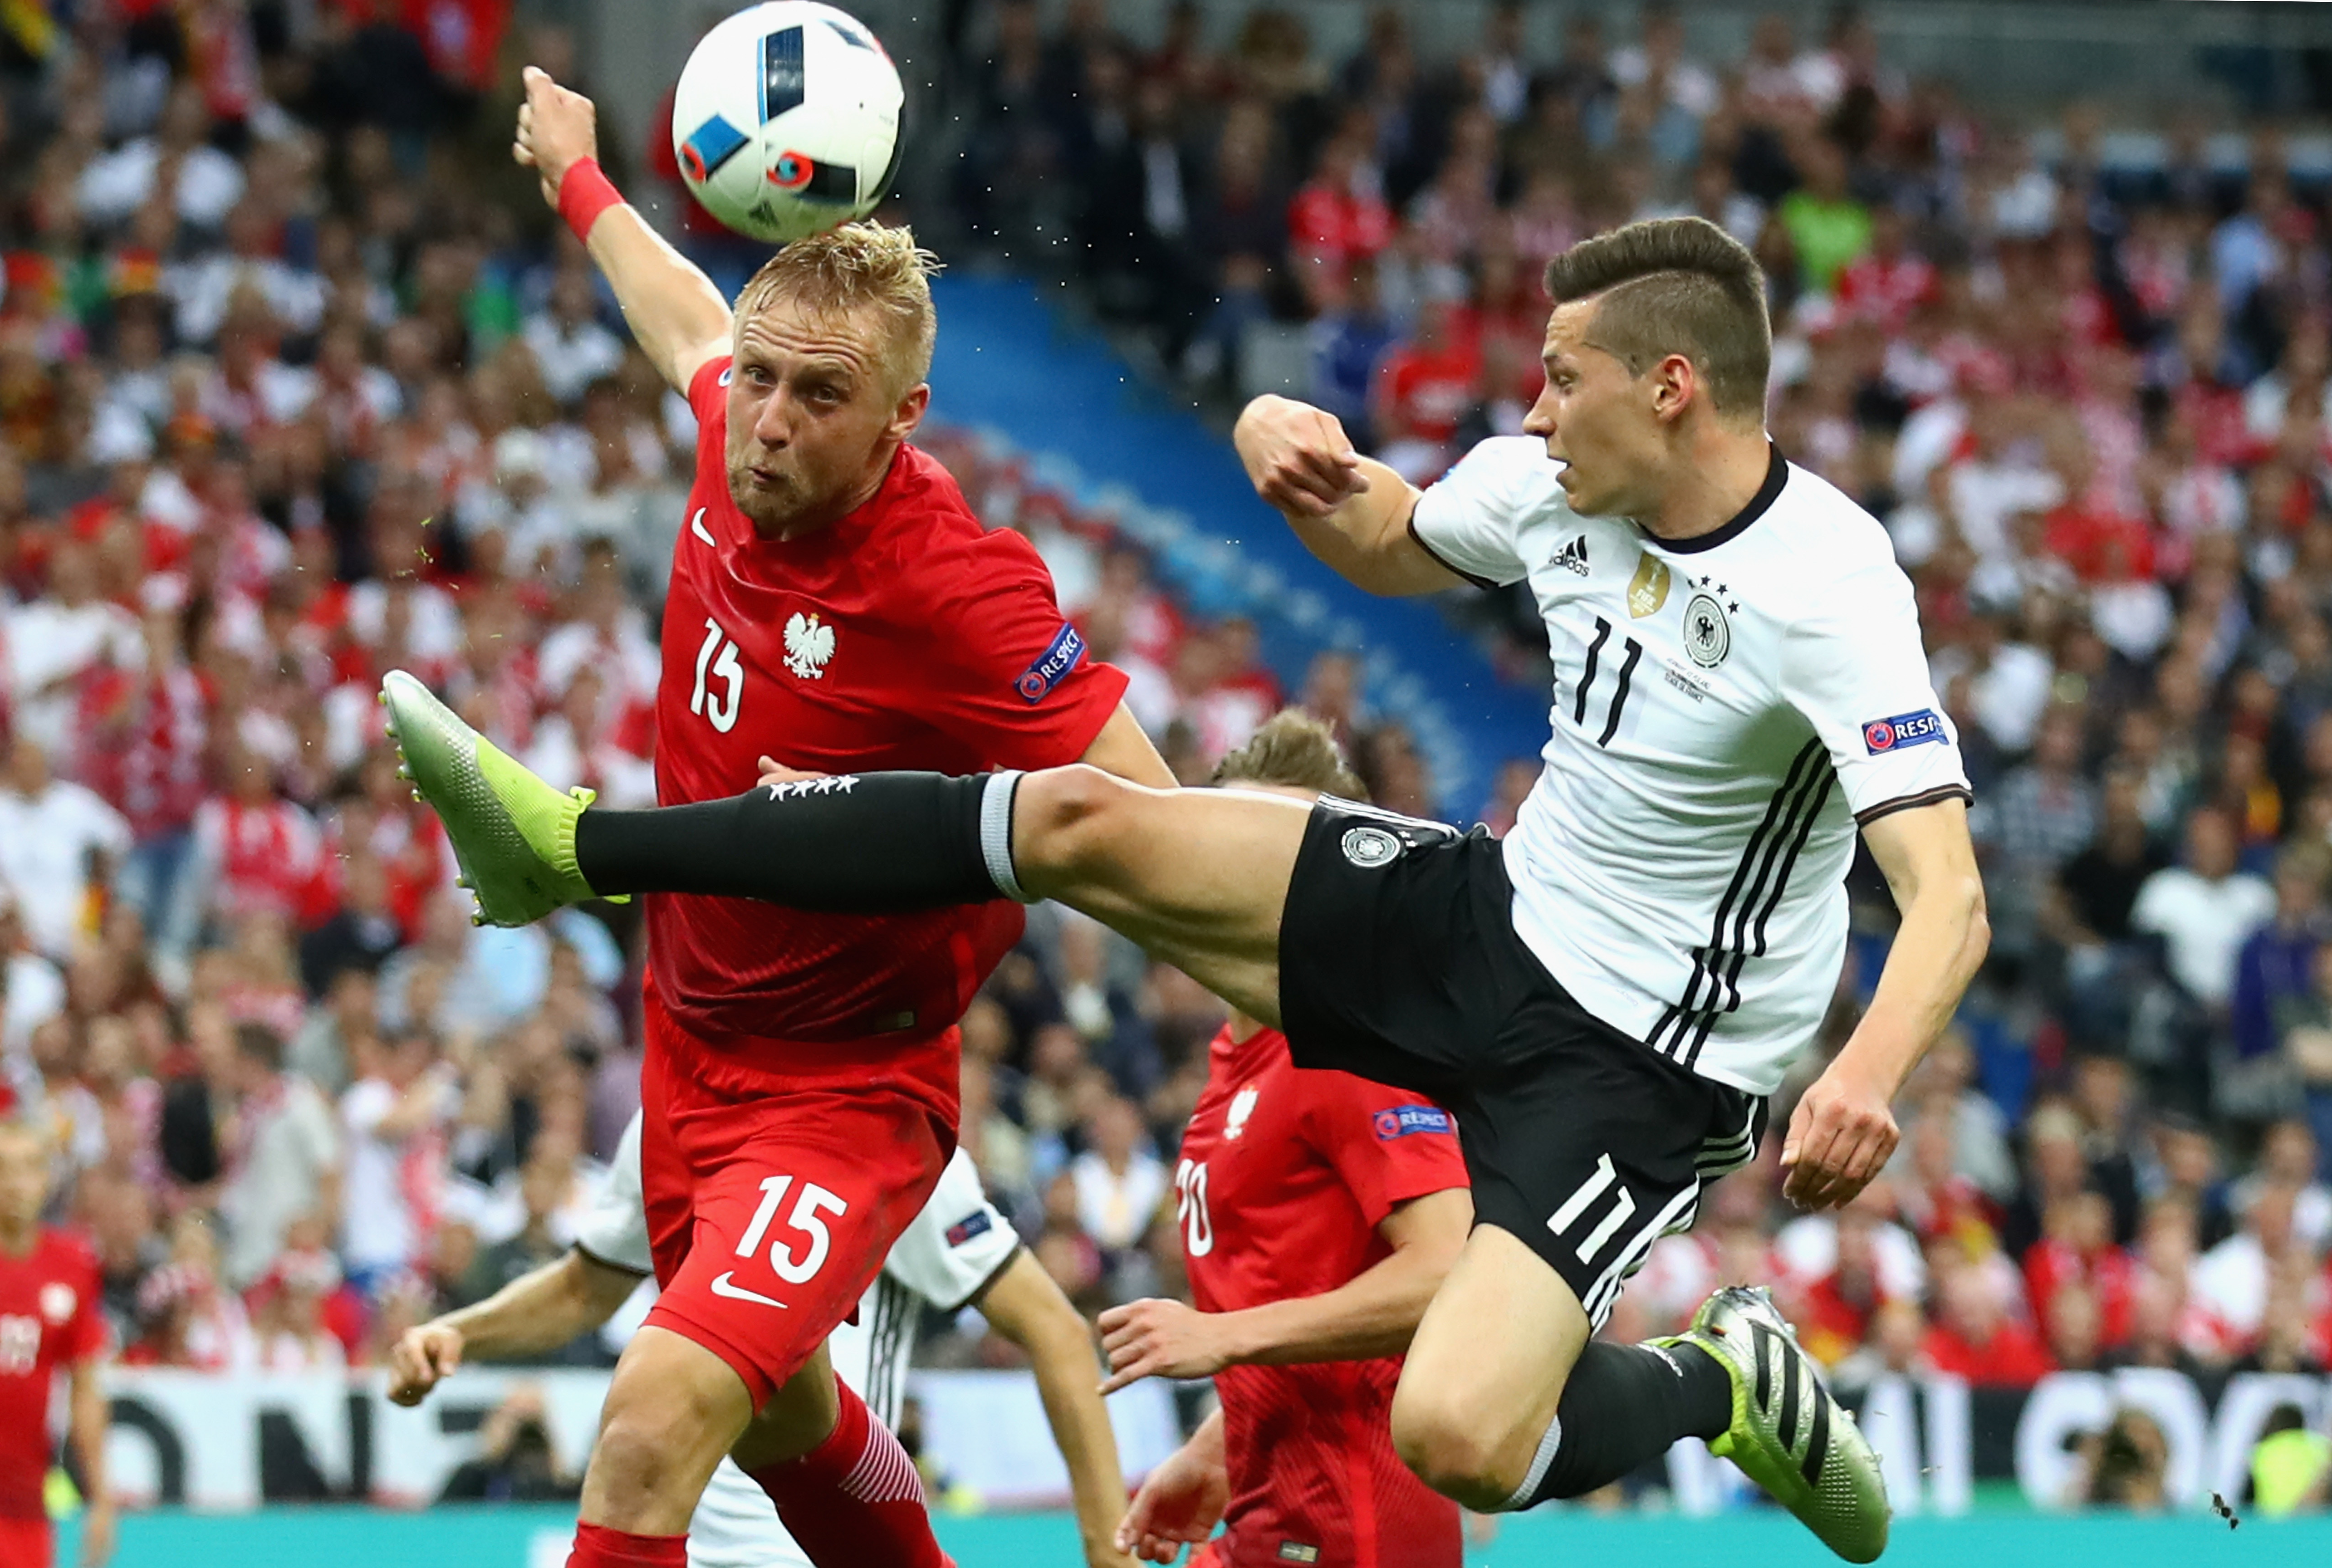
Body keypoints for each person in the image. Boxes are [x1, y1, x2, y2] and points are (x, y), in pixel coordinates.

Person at [386, 216, 1990, 1563]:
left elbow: (1947, 893)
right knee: (1086, 820)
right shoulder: (1556, 480)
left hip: (1639, 1055)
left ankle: (1722, 1383)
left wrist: (1861, 1072)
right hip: (1487, 911)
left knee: (1461, 1434)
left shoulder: (1827, 589)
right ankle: (580, 847)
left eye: (1562, 378)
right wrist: (1299, 460)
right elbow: (1396, 537)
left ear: (1674, 385)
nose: (1534, 407)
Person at [458, 67, 1173, 1568]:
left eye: (818, 394)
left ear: (903, 416)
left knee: (652, 1412)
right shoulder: (739, 429)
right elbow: (681, 322)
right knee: (784, 1419)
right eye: (765, 377)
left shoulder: (957, 589)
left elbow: (1155, 821)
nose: (764, 417)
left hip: (842, 1089)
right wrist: (583, 180)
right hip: (687, 1052)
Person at [390, 1113, 1133, 1567]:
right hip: (676, 1546)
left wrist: (1107, 1551)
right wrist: (460, 1329)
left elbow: (1056, 1331)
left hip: (820, 1549)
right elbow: (585, 1287)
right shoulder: (663, 1121)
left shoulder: (890, 1136)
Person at [1097, 712, 1473, 1567]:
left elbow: (1449, 1270)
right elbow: (1300, 1287)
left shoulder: (1349, 1049)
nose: (1247, 871)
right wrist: (1209, 1451)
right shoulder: (1236, 1059)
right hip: (1270, 1519)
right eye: (1232, 841)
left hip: (1356, 1530)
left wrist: (1222, 1339)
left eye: (1281, 851)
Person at [0, 1118, 116, 1568]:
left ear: (47, 1178)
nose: (17, 1183)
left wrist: (101, 1495)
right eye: (0, 1169)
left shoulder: (71, 1266)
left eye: (30, 1168)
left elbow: (85, 1388)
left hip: (24, 1508)